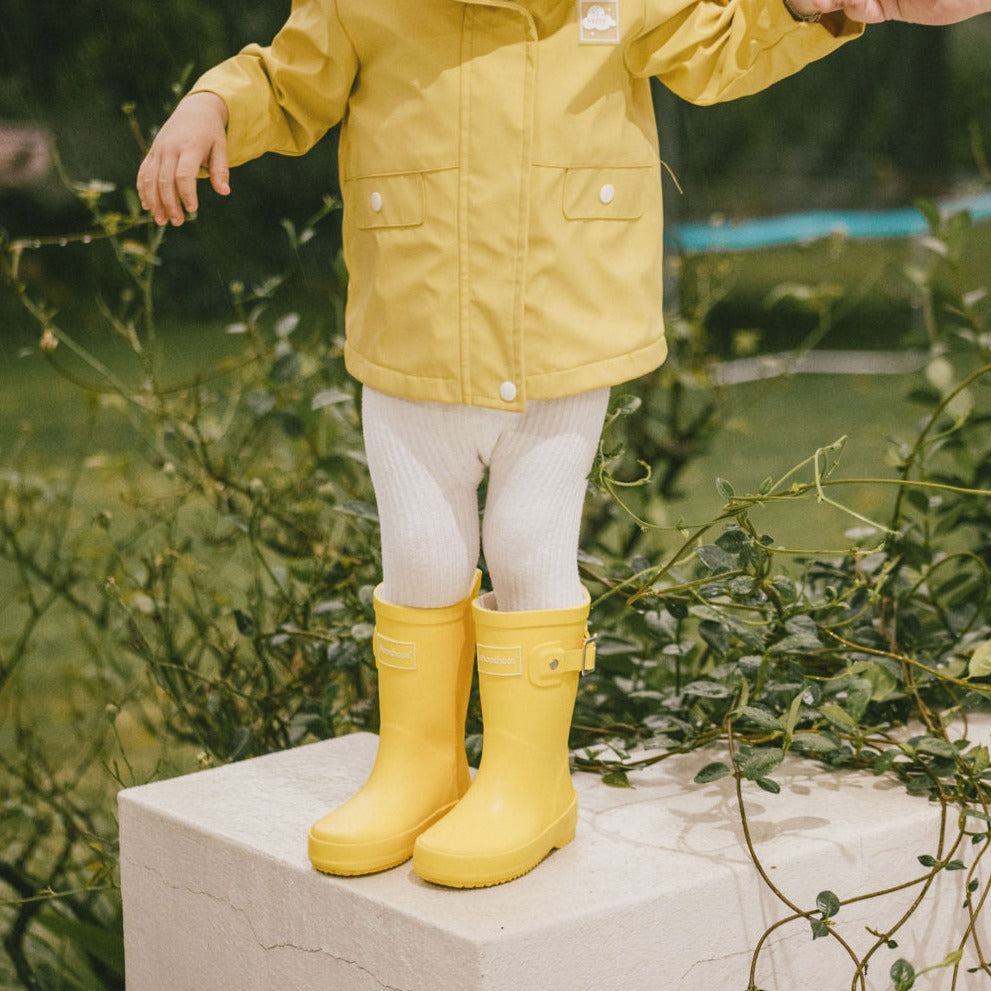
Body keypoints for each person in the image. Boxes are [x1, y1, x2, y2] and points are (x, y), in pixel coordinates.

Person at [137, 0, 991, 889]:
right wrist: (213, 103)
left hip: (563, 323)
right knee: (421, 556)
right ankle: (420, 765)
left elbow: (718, 46)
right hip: (413, 323)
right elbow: (288, 76)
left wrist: (826, 6)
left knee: (524, 542)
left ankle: (527, 781)